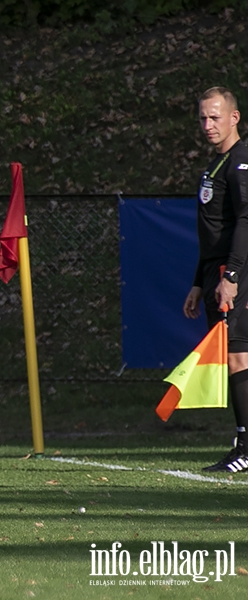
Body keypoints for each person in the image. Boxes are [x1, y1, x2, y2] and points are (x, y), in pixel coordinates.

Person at [183, 86, 248, 473]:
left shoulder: (241, 162)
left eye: (215, 117)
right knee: (234, 357)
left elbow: (245, 219)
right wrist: (197, 281)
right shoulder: (216, 165)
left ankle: (245, 447)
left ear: (234, 118)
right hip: (214, 272)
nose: (208, 125)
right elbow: (212, 231)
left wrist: (234, 275)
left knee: (238, 356)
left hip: (233, 272)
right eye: (203, 118)